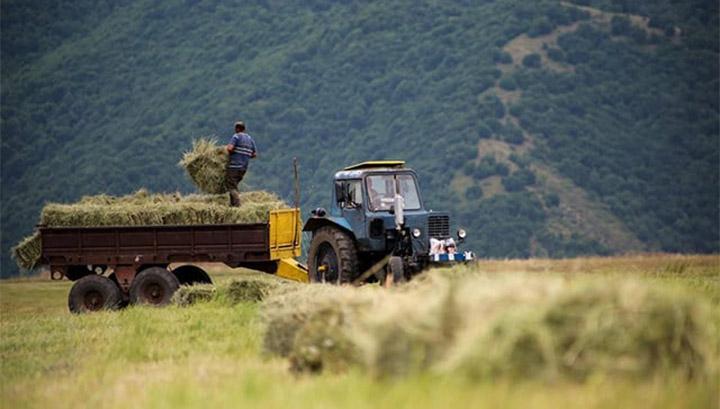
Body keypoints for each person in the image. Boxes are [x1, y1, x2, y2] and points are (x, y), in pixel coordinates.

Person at [225, 121, 257, 207]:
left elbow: (230, 148)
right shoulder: (250, 139)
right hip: (243, 168)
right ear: (244, 129)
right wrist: (245, 154)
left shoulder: (236, 136)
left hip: (234, 166)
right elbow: (254, 154)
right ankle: (232, 206)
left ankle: (237, 204)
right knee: (234, 185)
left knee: (231, 186)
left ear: (237, 129)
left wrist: (227, 150)